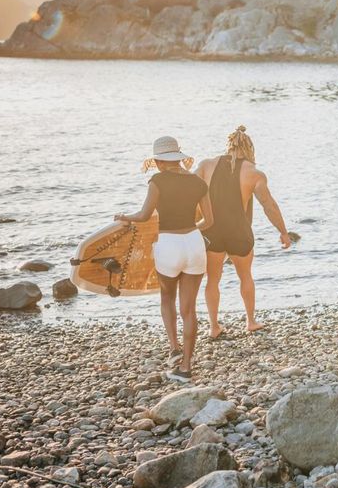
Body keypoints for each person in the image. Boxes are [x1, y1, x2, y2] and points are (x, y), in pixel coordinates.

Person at [116, 136, 213, 383]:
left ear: (159, 161)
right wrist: (190, 233)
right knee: (189, 309)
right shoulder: (198, 181)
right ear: (178, 157)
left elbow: (144, 214)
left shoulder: (157, 180)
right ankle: (186, 367)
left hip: (168, 245)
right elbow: (209, 221)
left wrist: (124, 216)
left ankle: (174, 348)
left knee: (167, 297)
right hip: (194, 243)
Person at [194, 125, 291, 339]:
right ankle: (250, 321)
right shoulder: (254, 174)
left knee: (212, 280)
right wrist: (283, 232)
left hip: (211, 231)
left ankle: (213, 326)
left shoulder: (205, 166)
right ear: (249, 148)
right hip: (239, 232)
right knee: (245, 276)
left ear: (228, 146)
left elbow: (189, 195)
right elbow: (269, 206)